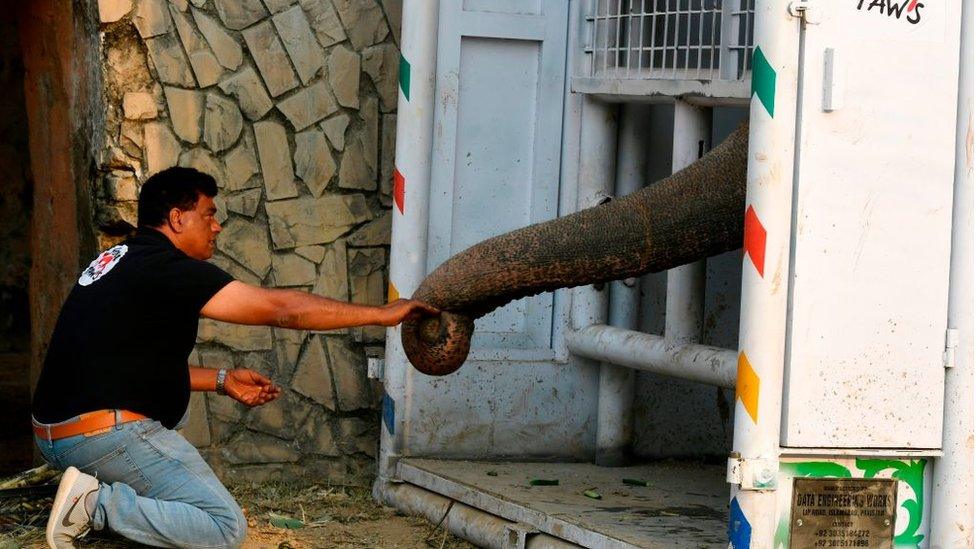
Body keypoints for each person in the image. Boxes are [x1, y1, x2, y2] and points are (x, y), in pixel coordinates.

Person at [30, 167, 438, 548]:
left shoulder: (120, 260)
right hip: (103, 439)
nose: (217, 226)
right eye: (208, 215)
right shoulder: (167, 268)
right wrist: (381, 315)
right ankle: (93, 506)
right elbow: (283, 310)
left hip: (58, 437)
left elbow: (124, 364)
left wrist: (222, 379)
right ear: (176, 219)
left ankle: (96, 489)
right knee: (223, 525)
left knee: (173, 416)